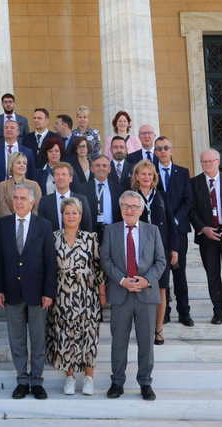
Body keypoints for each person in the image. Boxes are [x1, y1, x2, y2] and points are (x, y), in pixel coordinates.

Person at [101, 191, 166, 401]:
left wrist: (146, 280)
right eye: (126, 206)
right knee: (119, 342)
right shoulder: (111, 231)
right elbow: (106, 259)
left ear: (141, 209)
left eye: (134, 207)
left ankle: (145, 383)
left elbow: (161, 261)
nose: (130, 210)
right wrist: (122, 280)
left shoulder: (152, 231)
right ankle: (117, 382)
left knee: (146, 342)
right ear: (120, 209)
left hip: (146, 294)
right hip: (121, 293)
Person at [0, 182, 56, 400]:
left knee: (38, 339)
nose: (18, 202)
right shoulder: (2, 225)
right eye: (16, 198)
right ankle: (22, 380)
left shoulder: (44, 225)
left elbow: (50, 261)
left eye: (23, 199)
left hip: (37, 293)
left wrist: (49, 292)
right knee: (17, 339)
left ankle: (37, 381)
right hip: (11, 291)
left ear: (32, 202)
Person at [46, 197, 106, 396]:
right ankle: (70, 377)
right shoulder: (53, 237)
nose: (71, 216)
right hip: (62, 294)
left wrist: (102, 293)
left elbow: (99, 268)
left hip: (87, 294)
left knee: (88, 335)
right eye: (67, 213)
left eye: (74, 213)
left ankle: (89, 378)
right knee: (65, 335)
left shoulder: (91, 238)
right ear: (61, 215)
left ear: (81, 216)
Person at [131, 160, 178, 345]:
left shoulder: (162, 196)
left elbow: (171, 224)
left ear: (154, 178)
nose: (147, 177)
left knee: (161, 290)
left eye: (150, 174)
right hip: (138, 249)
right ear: (136, 176)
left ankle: (158, 330)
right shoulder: (131, 196)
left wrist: (174, 249)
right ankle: (143, 330)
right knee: (140, 290)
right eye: (143, 174)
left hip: (161, 249)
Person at [189, 149, 222, 325]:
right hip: (207, 238)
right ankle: (218, 312)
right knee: (213, 276)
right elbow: (191, 210)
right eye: (203, 162)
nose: (207, 164)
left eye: (210, 161)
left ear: (218, 161)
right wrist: (203, 228)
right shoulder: (194, 183)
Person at [154, 136, 193, 326]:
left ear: (171, 150)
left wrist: (175, 220)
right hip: (159, 232)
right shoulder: (151, 173)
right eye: (159, 148)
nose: (162, 151)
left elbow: (188, 200)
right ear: (155, 152)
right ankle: (165, 312)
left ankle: (184, 312)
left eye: (165, 148)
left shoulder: (183, 172)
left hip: (179, 230)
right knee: (163, 273)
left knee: (180, 272)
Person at [38, 162, 93, 232]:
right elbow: (42, 228)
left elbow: (87, 226)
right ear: (54, 178)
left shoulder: (82, 200)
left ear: (71, 178)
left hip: (77, 242)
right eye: (57, 174)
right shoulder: (44, 201)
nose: (60, 177)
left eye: (64, 174)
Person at [81, 155, 124, 243]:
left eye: (104, 166)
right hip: (90, 233)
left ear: (109, 169)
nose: (101, 168)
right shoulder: (82, 189)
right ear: (92, 169)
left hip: (112, 232)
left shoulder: (118, 190)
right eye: (97, 165)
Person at [0, 119, 36, 188]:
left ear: (18, 132)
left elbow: (32, 175)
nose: (9, 130)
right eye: (6, 128)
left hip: (23, 190)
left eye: (12, 128)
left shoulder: (28, 152)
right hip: (1, 191)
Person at [0, 152, 42, 218]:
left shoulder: (34, 185)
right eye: (18, 163)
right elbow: (3, 210)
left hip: (30, 224)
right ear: (11, 166)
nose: (22, 165)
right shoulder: (3, 185)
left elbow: (37, 208)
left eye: (24, 163)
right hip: (9, 224)